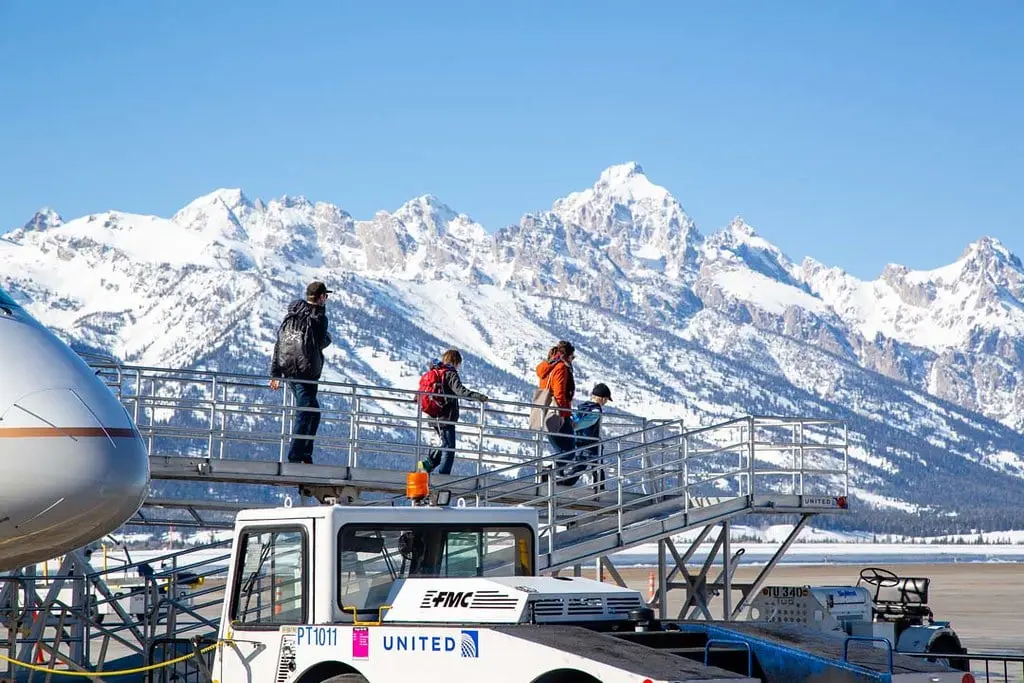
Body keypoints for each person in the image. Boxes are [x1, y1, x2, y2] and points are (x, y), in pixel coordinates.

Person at [269, 281, 333, 464]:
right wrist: (329, 338)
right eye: (325, 296)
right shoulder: (319, 317)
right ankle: (297, 456)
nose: (326, 300)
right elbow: (320, 342)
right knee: (306, 412)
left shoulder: (291, 315)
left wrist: (275, 373)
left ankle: (305, 453)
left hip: (288, 370)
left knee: (312, 412)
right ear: (321, 297)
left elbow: (279, 343)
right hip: (306, 372)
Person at [417, 349, 488, 475]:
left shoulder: (435, 372)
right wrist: (478, 396)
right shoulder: (449, 373)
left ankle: (426, 466)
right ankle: (444, 476)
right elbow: (460, 391)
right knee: (449, 448)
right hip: (445, 416)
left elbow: (420, 394)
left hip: (433, 415)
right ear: (456, 362)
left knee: (444, 444)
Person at [535, 340, 581, 484]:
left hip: (547, 413)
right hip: (560, 414)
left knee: (562, 450)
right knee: (569, 451)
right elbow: (559, 393)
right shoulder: (560, 368)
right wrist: (562, 414)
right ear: (567, 356)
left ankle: (555, 477)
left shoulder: (549, 367)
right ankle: (549, 472)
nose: (572, 360)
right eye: (572, 357)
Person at [573, 383, 613, 490]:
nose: (605, 402)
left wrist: (573, 427)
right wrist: (577, 426)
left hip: (580, 441)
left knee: (579, 465)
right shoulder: (596, 410)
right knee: (597, 467)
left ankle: (559, 478)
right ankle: (600, 490)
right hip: (592, 443)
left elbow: (575, 420)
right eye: (605, 399)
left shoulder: (582, 407)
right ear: (602, 398)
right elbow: (590, 421)